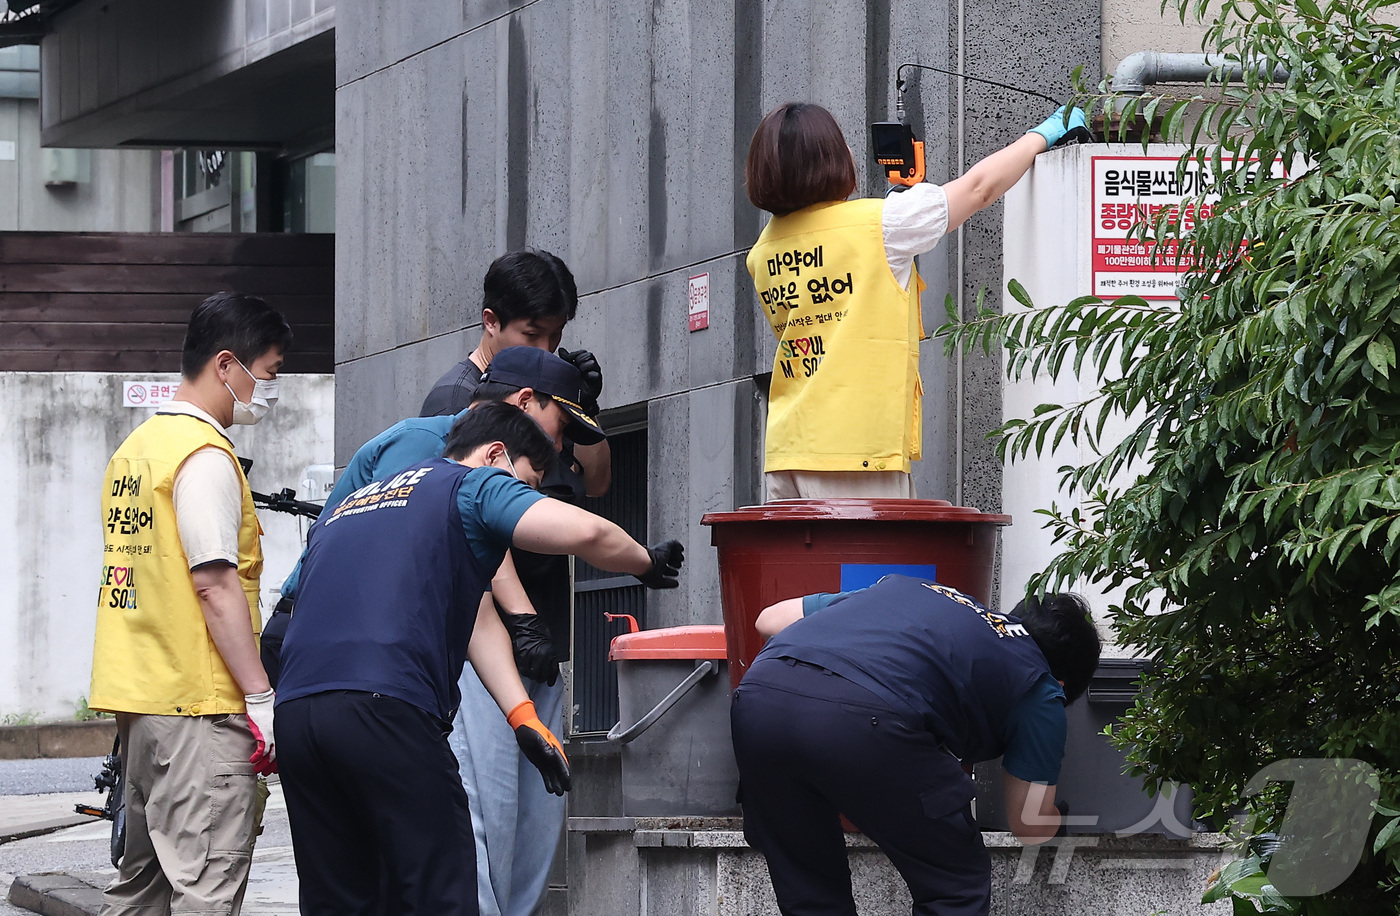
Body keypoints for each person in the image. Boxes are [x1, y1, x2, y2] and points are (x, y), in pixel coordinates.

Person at [274, 401, 684, 915]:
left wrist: (523, 716)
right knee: (442, 893)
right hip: (386, 709)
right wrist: (644, 561)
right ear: (495, 454)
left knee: (342, 900)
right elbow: (587, 533)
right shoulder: (468, 485)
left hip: (297, 718)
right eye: (527, 483)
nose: (525, 496)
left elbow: (475, 616)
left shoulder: (353, 503)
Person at [743, 101, 1088, 501]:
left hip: (788, 448)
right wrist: (1040, 136)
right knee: (873, 565)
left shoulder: (763, 251)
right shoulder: (884, 224)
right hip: (856, 450)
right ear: (829, 159)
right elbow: (978, 189)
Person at [89, 291, 291, 914]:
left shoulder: (136, 451)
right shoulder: (204, 459)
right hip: (200, 711)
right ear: (227, 366)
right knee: (205, 891)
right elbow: (213, 583)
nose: (267, 389)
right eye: (269, 373)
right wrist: (260, 698)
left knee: (141, 892)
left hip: (141, 706)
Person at [420, 248, 609, 916]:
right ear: (491, 322)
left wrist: (583, 406)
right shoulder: (456, 400)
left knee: (535, 828)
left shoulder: (543, 392)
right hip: (481, 648)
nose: (547, 349)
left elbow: (598, 480)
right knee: (488, 818)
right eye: (534, 337)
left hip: (541, 647)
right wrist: (519, 619)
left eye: (556, 337)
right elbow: (467, 516)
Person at [732, 575, 1102, 915]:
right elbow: (1029, 825)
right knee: (956, 886)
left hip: (759, 701)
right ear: (1065, 682)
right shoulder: (1040, 683)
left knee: (811, 895)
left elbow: (769, 619)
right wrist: (1060, 817)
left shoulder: (920, 593)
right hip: (867, 720)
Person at [261, 345, 604, 687]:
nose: (558, 445)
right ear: (524, 403)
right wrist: (522, 618)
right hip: (318, 628)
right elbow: (391, 556)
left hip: (353, 639)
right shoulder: (426, 443)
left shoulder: (469, 460)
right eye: (560, 426)